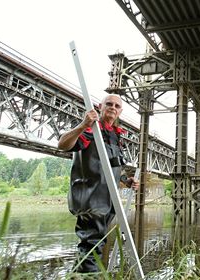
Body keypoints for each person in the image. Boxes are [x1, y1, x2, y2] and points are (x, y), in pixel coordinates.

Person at [58, 93, 136, 273]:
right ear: (100, 107)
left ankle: (82, 276)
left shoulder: (114, 135)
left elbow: (114, 166)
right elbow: (63, 144)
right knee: (91, 247)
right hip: (91, 199)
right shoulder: (90, 130)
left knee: (97, 245)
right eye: (109, 104)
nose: (113, 108)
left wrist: (127, 180)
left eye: (117, 106)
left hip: (108, 200)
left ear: (120, 111)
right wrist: (83, 124)